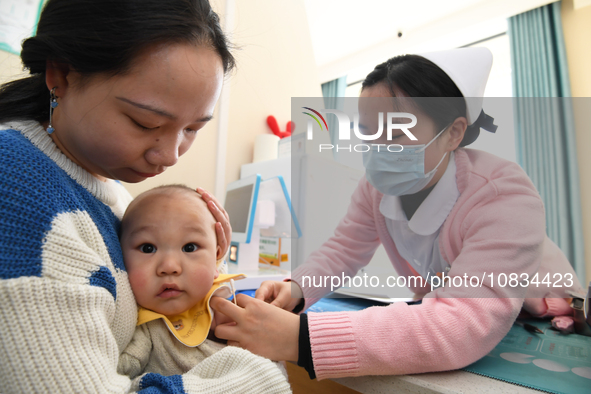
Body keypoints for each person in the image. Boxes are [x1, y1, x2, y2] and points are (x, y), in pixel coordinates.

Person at [210, 47, 585, 380]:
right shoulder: (376, 189)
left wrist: (299, 338)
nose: (377, 148)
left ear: (454, 134)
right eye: (368, 131)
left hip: (545, 312)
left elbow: (464, 321)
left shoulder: (503, 193)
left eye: (397, 131)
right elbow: (343, 249)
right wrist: (296, 288)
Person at [0, 0, 242, 392]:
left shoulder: (110, 192)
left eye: (193, 128)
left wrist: (207, 262)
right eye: (144, 122)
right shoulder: (16, 189)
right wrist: (251, 379)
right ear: (60, 74)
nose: (170, 155)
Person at [116, 185, 291, 393]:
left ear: (216, 258)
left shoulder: (225, 301)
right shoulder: (142, 331)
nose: (169, 266)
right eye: (148, 248)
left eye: (189, 247)